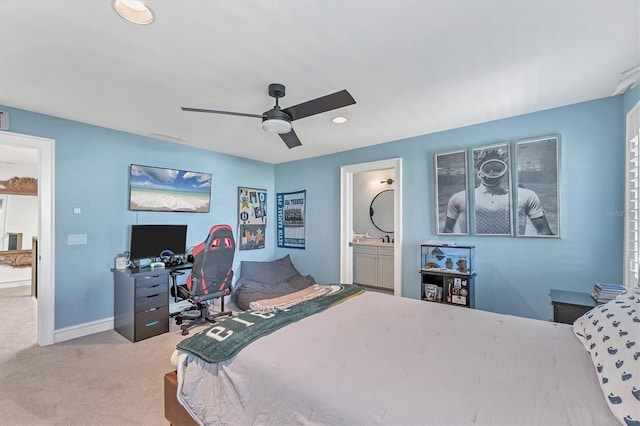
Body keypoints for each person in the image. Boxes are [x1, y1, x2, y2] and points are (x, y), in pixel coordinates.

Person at [443, 148, 553, 235]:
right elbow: (447, 232)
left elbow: (545, 232)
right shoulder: (459, 198)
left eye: (497, 168)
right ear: (478, 171)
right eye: (487, 168)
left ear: (504, 170)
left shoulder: (527, 195)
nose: (492, 172)